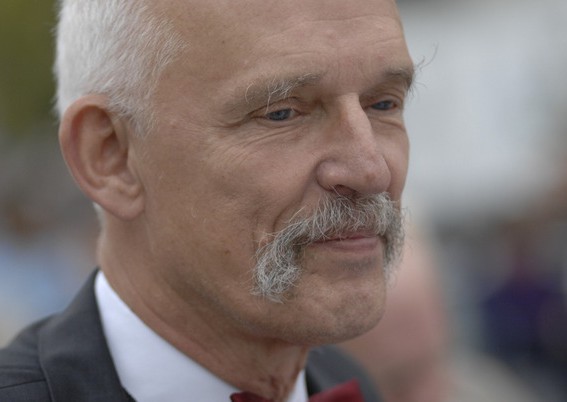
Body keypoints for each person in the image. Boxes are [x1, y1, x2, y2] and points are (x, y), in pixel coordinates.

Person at [0, 0, 415, 400]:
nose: (371, 171)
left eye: (383, 104)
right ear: (111, 157)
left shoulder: (345, 380)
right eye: (282, 113)